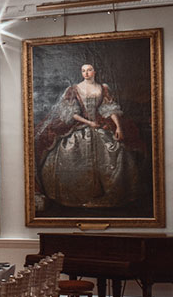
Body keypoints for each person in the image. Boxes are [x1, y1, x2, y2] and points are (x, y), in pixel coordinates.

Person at [35, 63, 142, 209]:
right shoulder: (74, 89)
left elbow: (109, 109)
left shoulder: (103, 88)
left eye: (89, 70)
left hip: (99, 128)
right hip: (82, 126)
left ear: (94, 72)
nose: (86, 73)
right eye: (83, 71)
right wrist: (89, 123)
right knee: (69, 155)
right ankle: (79, 197)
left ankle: (108, 195)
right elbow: (71, 113)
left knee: (116, 150)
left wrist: (118, 127)